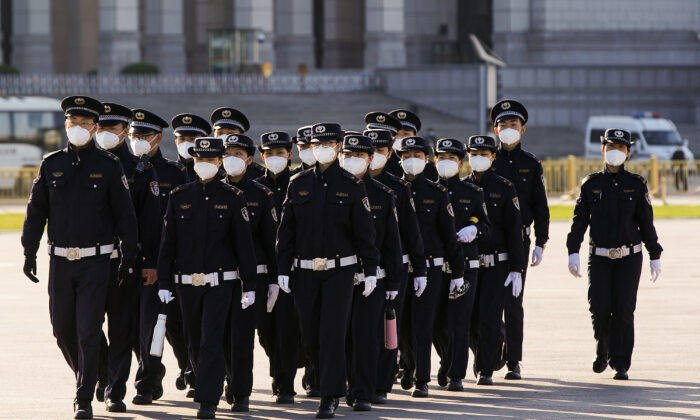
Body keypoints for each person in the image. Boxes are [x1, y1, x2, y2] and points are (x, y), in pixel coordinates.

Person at [21, 95, 138, 419]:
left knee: (88, 330)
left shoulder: (109, 166)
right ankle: (96, 374)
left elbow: (125, 216)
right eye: (74, 123)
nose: (79, 128)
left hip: (96, 262)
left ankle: (83, 396)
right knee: (63, 331)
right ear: (66, 125)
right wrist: (29, 251)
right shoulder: (51, 164)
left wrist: (128, 255)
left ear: (95, 127)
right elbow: (35, 212)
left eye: (86, 123)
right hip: (60, 262)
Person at [276, 122, 379, 418]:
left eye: (328, 144)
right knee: (310, 334)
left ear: (337, 147)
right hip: (304, 271)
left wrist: (370, 269)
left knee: (332, 333)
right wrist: (283, 268)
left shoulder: (352, 185)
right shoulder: (298, 183)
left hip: (340, 271)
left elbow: (365, 233)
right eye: (316, 144)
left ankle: (330, 396)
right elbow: (287, 231)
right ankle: (328, 382)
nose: (321, 149)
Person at [157, 137, 257, 419]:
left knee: (211, 340)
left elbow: (244, 246)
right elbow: (168, 245)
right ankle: (208, 384)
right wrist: (164, 282)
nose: (204, 165)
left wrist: (248, 284)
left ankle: (207, 400)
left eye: (210, 160)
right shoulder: (179, 197)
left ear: (219, 162)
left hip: (220, 283)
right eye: (199, 160)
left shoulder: (232, 197)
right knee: (192, 340)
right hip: (187, 284)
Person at [566, 128, 662, 380]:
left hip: (629, 257)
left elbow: (646, 223)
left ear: (628, 152)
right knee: (599, 306)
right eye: (610, 147)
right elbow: (579, 222)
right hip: (598, 257)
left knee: (623, 309)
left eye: (620, 148)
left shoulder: (637, 184)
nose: (615, 152)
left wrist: (655, 254)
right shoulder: (591, 184)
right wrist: (572, 251)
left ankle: (620, 362)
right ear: (602, 151)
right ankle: (603, 345)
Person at [94, 102, 162, 412]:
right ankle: (102, 371)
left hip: (131, 262)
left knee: (134, 327)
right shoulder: (84, 163)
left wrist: (149, 262)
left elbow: (148, 221)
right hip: (90, 261)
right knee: (80, 327)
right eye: (102, 127)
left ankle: (129, 384)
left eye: (113, 128)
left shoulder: (141, 169)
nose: (106, 134)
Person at [395, 136, 465, 398]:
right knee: (401, 326)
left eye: (418, 155)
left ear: (427, 159)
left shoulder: (437, 193)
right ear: (399, 159)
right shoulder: (391, 190)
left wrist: (457, 272)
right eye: (406, 155)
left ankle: (422, 379)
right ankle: (409, 367)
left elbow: (449, 236)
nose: (412, 160)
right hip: (401, 268)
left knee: (423, 325)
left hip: (431, 268)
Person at [339, 134, 402, 412]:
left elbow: (391, 241)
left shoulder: (383, 194)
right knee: (338, 336)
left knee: (366, 336)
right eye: (348, 155)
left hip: (371, 277)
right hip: (335, 276)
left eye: (359, 156)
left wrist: (392, 280)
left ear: (369, 160)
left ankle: (363, 391)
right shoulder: (329, 190)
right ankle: (342, 385)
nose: (353, 161)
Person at [364, 128, 426, 403]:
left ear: (389, 153)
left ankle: (382, 383)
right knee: (362, 329)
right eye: (371, 150)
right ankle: (360, 380)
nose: (376, 155)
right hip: (360, 269)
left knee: (390, 327)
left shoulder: (398, 188)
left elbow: (412, 233)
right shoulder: (352, 184)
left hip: (392, 268)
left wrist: (420, 269)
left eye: (381, 150)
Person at [490, 99, 550, 380]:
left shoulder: (531, 164)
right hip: (489, 240)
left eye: (513, 125)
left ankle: (514, 360)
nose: (508, 129)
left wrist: (541, 241)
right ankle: (490, 354)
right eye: (503, 125)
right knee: (488, 301)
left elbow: (541, 206)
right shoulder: (487, 159)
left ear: (523, 129)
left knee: (513, 301)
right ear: (495, 129)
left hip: (520, 241)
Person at [221, 133, 278, 411]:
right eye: (228, 154)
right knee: (216, 336)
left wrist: (275, 280)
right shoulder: (210, 191)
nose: (233, 159)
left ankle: (241, 391)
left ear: (250, 160)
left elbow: (270, 241)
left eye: (239, 154)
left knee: (242, 337)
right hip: (217, 276)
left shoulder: (261, 195)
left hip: (250, 277)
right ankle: (228, 379)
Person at [463, 135, 524, 385]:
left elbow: (514, 230)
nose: (479, 158)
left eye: (484, 154)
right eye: (474, 153)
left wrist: (516, 267)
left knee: (489, 316)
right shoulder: (461, 188)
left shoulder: (505, 187)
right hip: (469, 264)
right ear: (467, 156)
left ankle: (485, 368)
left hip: (497, 263)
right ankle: (486, 354)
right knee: (471, 318)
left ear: (493, 157)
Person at [432, 138, 491, 391]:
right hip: (435, 266)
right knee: (436, 323)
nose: (446, 163)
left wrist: (475, 228)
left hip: (466, 266)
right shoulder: (428, 191)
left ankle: (456, 374)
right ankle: (446, 362)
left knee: (459, 321)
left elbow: (488, 227)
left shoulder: (473, 193)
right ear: (434, 161)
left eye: (452, 159)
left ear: (461, 162)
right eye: (442, 158)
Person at [144, 111, 193, 396]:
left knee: (190, 320)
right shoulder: (166, 171)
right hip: (159, 258)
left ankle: (195, 369)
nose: (187, 144)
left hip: (189, 260)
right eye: (182, 138)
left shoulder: (188, 173)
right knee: (168, 322)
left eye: (193, 138)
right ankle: (180, 367)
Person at [127, 109, 174, 404]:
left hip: (159, 262)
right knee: (130, 327)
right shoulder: (122, 167)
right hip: (125, 261)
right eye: (134, 136)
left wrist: (156, 263)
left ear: (158, 138)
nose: (139, 141)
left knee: (154, 325)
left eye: (144, 136)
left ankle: (146, 380)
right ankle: (150, 369)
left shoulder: (173, 172)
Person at [255, 131, 305, 403]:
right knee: (265, 330)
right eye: (269, 153)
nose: (275, 158)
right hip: (263, 271)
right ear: (262, 156)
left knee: (287, 327)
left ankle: (284, 384)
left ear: (290, 155)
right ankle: (279, 370)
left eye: (281, 153)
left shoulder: (299, 184)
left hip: (290, 269)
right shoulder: (253, 187)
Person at [210, 107, 266, 179]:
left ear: (242, 135)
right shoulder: (207, 168)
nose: (224, 137)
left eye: (231, 133)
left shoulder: (258, 173)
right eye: (220, 133)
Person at [386, 109, 439, 181]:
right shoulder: (380, 166)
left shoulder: (430, 169)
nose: (400, 138)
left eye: (406, 134)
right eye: (396, 134)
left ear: (415, 136)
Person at [171, 113, 212, 181]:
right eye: (182, 139)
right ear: (176, 142)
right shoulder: (166, 171)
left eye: (192, 139)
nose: (186, 143)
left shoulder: (213, 173)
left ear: (203, 142)